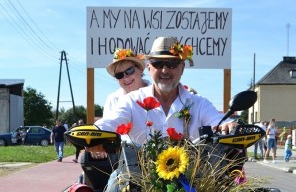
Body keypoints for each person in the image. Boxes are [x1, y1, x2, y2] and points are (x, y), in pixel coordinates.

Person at [87, 36, 230, 159]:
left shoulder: (199, 104)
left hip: (191, 185)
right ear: (149, 68)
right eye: (158, 63)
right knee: (112, 189)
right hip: (138, 182)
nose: (165, 70)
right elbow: (111, 122)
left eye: (172, 64)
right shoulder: (131, 101)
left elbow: (219, 122)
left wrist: (229, 126)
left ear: (182, 67)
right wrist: (94, 135)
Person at [103, 48, 150, 116]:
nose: (125, 77)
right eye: (119, 75)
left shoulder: (157, 94)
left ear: (140, 69)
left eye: (129, 71)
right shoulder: (113, 100)